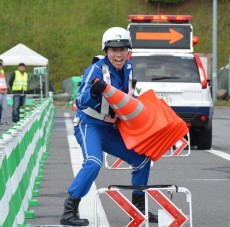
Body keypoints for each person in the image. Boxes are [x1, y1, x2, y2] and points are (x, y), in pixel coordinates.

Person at [60, 27, 158, 226]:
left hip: (111, 128)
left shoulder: (128, 68)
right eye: (114, 50)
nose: (119, 54)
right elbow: (80, 101)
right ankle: (69, 210)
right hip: (89, 125)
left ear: (128, 50)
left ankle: (138, 210)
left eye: (123, 49)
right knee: (94, 162)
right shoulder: (96, 69)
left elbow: (127, 99)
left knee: (142, 159)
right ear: (106, 51)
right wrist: (93, 93)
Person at [0, 59, 8, 125]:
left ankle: (3, 120)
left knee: (5, 107)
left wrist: (6, 90)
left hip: (4, 92)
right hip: (0, 92)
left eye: (0, 66)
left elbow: (4, 83)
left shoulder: (2, 73)